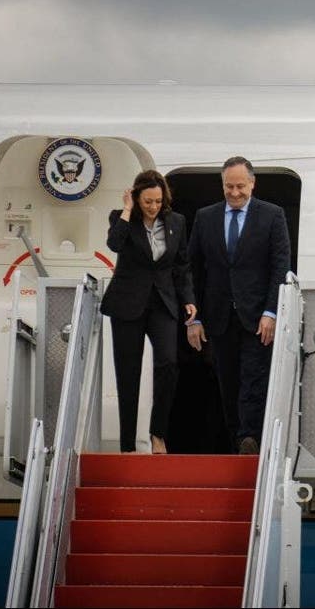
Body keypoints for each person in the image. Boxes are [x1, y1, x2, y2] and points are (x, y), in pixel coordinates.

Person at [187, 156, 291, 454]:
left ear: (253, 183)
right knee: (228, 381)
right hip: (218, 316)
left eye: (240, 186)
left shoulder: (272, 215)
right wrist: (193, 317)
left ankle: (250, 438)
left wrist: (272, 311)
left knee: (253, 378)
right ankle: (238, 441)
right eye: (229, 186)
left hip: (258, 315)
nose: (234, 193)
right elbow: (192, 269)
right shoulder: (206, 217)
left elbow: (280, 266)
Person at [100, 170, 197, 454]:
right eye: (147, 202)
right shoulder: (121, 217)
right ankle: (127, 444)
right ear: (136, 197)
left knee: (168, 364)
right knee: (128, 374)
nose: (153, 207)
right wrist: (129, 210)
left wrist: (188, 298)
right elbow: (114, 245)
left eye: (157, 201)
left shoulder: (176, 222)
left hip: (163, 303)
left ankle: (158, 433)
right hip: (127, 304)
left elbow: (181, 265)